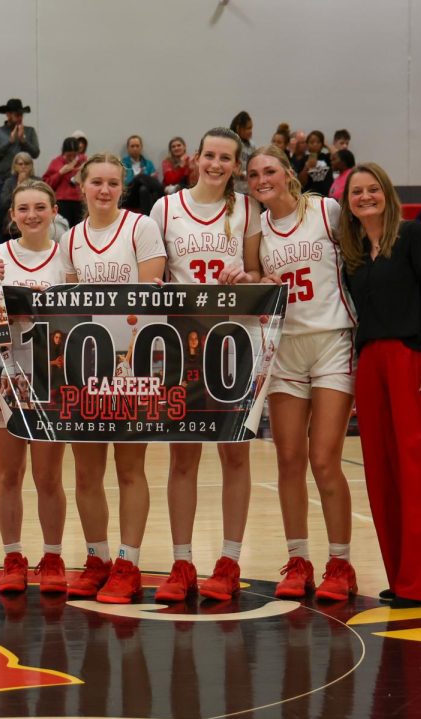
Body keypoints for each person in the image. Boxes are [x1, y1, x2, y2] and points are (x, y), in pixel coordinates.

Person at [337, 162, 421, 608]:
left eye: (373, 189)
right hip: (372, 364)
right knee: (384, 473)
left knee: (419, 473)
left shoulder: (414, 237)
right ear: (347, 202)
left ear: (387, 194)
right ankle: (411, 571)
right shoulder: (353, 253)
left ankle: (419, 582)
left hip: (418, 363)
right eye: (357, 192)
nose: (365, 197)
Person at [151, 127, 263, 603]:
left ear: (236, 165)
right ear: (195, 159)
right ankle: (181, 562)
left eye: (226, 158)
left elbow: (259, 273)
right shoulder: (166, 208)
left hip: (234, 342)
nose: (216, 164)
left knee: (235, 455)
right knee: (183, 457)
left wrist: (246, 274)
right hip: (181, 343)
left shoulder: (247, 209)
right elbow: (153, 281)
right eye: (209, 155)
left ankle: (230, 560)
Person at [246, 145, 358, 602]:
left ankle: (341, 562)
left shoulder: (327, 210)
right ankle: (299, 559)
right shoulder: (256, 227)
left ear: (288, 173)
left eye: (269, 170)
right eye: (253, 174)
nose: (261, 179)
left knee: (324, 459)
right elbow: (253, 274)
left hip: (332, 340)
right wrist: (256, 282)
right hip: (285, 346)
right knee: (288, 460)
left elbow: (358, 260)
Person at [62, 153, 166, 603]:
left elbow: (146, 297)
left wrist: (125, 359)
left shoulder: (141, 228)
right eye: (96, 183)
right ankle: (97, 558)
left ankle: (129, 562)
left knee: (129, 469)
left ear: (121, 188)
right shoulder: (70, 239)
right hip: (86, 367)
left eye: (111, 183)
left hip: (132, 364)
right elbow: (69, 310)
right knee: (87, 474)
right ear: (81, 187)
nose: (104, 190)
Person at [0, 179, 72, 594]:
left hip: (52, 378)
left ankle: (53, 556)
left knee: (48, 476)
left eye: (40, 207)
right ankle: (13, 556)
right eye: (23, 208)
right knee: (8, 473)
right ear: (12, 215)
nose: (32, 215)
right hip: (1, 374)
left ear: (54, 210)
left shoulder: (68, 259)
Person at [0, 99, 40, 227]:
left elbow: (35, 153)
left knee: (24, 218)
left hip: (24, 181)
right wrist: (9, 142)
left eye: (21, 115)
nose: (19, 118)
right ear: (8, 115)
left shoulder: (29, 131)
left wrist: (23, 141)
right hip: (1, 181)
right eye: (16, 115)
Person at [42, 137, 85, 227]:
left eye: (75, 155)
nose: (72, 158)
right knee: (63, 228)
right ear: (63, 152)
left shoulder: (84, 162)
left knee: (79, 229)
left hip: (80, 201)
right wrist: (60, 173)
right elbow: (46, 184)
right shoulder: (56, 162)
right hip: (63, 202)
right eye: (69, 155)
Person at [0, 151, 36, 228]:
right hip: (13, 222)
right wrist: (18, 185)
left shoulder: (38, 181)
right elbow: (3, 204)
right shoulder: (9, 182)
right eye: (20, 164)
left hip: (33, 217)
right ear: (15, 166)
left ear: (31, 166)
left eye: (26, 164)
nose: (23, 166)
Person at [300, 131, 333, 196]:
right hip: (309, 196)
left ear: (322, 144)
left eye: (318, 142)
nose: (315, 144)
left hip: (326, 196)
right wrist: (306, 167)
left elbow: (338, 155)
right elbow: (301, 182)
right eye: (312, 142)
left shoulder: (326, 157)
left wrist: (327, 145)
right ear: (307, 144)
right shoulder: (303, 159)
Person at [229, 110, 254, 192]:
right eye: (248, 128)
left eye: (251, 128)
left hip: (248, 189)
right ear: (238, 128)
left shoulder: (252, 145)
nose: (251, 131)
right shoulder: (231, 143)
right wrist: (237, 173)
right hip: (233, 188)